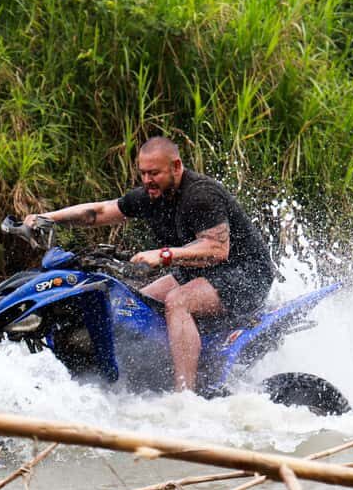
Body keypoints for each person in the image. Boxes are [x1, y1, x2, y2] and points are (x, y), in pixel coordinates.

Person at [23, 136, 275, 392]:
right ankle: (142, 378)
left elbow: (217, 249)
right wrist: (47, 218)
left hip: (246, 275)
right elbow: (99, 212)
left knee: (178, 301)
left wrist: (164, 255)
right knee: (134, 304)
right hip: (201, 272)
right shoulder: (151, 195)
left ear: (176, 167)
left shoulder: (200, 195)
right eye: (143, 173)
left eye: (154, 173)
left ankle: (184, 395)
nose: (147, 180)